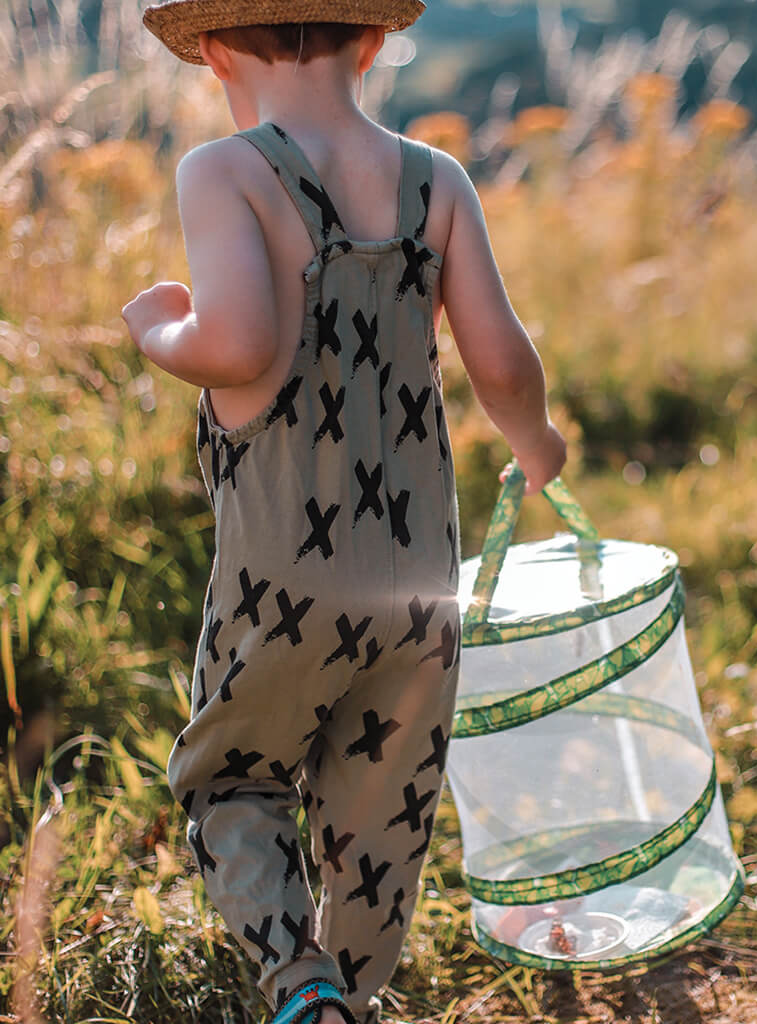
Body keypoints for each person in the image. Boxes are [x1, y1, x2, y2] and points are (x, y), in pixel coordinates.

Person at [121, 1, 567, 1021]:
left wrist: (160, 330)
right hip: (418, 586)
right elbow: (499, 357)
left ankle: (300, 983)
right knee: (384, 810)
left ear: (216, 52)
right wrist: (537, 446)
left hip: (282, 577)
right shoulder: (434, 180)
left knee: (232, 775)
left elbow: (232, 343)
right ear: (370, 43)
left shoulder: (225, 170)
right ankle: (356, 996)